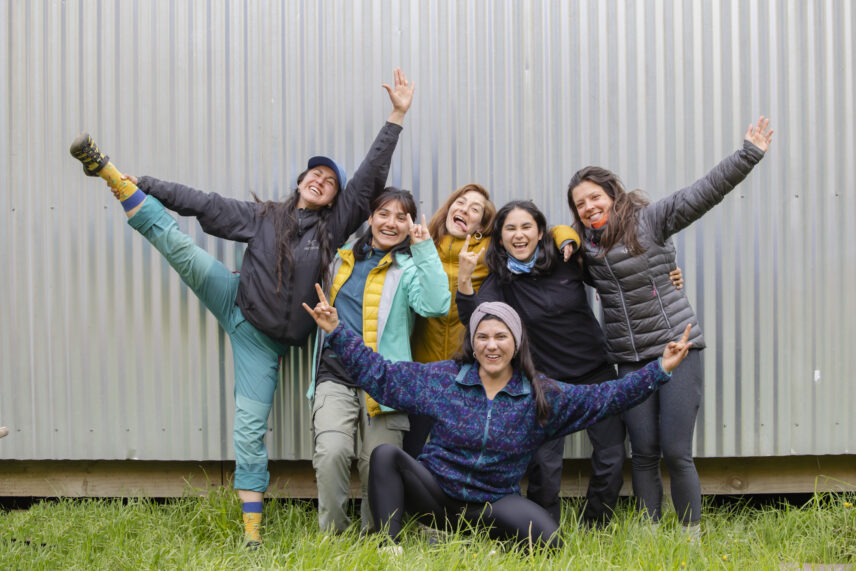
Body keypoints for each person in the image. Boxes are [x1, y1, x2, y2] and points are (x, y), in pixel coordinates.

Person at [69, 69, 415, 547]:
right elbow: (204, 204)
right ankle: (112, 174)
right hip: (232, 297)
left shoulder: (331, 230)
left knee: (249, 427)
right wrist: (146, 183)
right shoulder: (262, 216)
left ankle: (252, 537)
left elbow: (368, 177)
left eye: (330, 181)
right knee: (177, 246)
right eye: (314, 175)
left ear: (335, 199)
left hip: (262, 344)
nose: (321, 180)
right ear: (300, 182)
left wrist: (396, 115)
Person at [303, 294, 694, 549]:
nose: (491, 345)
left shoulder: (540, 395)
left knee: (549, 543)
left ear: (516, 342)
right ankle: (389, 549)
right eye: (483, 336)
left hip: (492, 503)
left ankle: (483, 542)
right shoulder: (445, 379)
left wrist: (659, 369)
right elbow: (382, 377)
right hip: (435, 495)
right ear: (473, 343)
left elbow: (605, 397)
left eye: (501, 336)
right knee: (386, 455)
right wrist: (337, 331)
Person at [566, 117, 774, 533]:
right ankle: (650, 536)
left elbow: (702, 193)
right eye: (580, 204)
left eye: (594, 197)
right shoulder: (583, 248)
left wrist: (747, 156)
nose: (589, 208)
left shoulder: (650, 220)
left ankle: (689, 538)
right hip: (629, 358)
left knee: (677, 451)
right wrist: (561, 237)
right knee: (643, 452)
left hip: (676, 347)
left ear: (612, 194)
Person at [456, 200, 630, 527]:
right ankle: (543, 529)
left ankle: (597, 524)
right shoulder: (501, 280)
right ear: (500, 238)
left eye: (526, 227)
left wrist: (666, 277)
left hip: (595, 372)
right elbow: (476, 320)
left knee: (611, 454)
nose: (519, 235)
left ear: (540, 232)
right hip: (544, 381)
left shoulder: (566, 260)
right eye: (510, 229)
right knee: (544, 464)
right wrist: (464, 282)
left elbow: (613, 278)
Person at [307, 188, 450, 533]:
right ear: (370, 218)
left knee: (378, 462)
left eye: (401, 217)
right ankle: (333, 538)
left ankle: (376, 538)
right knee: (332, 451)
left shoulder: (408, 268)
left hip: (386, 381)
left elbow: (436, 305)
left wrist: (424, 248)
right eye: (383, 214)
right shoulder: (340, 259)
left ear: (409, 225)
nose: (391, 223)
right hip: (335, 372)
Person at [405, 185, 577, 458]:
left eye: (474, 209)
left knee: (459, 451)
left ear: (482, 224)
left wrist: (566, 237)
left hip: (464, 370)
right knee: (413, 448)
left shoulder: (488, 252)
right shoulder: (424, 243)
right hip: (421, 364)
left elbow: (541, 232)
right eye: (460, 202)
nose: (464, 210)